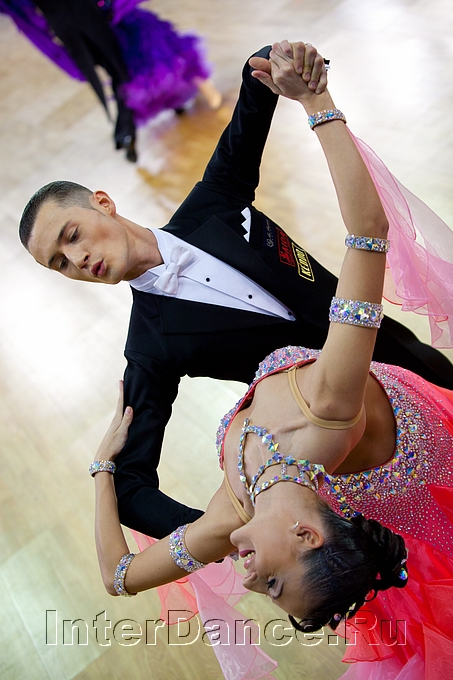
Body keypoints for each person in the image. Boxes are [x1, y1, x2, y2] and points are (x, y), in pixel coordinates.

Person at [90, 41, 453, 680]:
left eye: (69, 239)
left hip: (397, 366)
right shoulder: (323, 409)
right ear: (307, 537)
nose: (250, 581)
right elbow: (367, 234)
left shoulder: (235, 512)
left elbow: (120, 576)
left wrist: (100, 466)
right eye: (274, 585)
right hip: (374, 394)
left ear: (101, 203)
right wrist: (318, 103)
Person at [19, 41, 453, 544]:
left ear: (102, 202)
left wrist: (282, 57)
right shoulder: (149, 348)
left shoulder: (215, 201)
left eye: (71, 236)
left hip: (409, 361)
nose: (76, 260)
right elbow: (131, 490)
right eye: (59, 263)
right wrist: (244, 528)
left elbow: (257, 83)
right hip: (364, 451)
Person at [0, 0, 220, 161]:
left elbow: (24, 13)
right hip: (97, 20)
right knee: (136, 69)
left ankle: (132, 129)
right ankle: (129, 129)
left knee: (136, 69)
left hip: (81, 25)